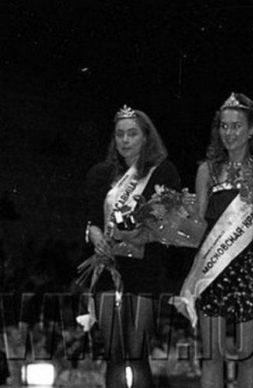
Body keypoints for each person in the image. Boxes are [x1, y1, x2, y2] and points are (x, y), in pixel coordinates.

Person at [84, 105, 181, 388]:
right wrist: (95, 234)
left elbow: (169, 224)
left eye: (132, 134)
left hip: (144, 269)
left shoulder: (162, 171)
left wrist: (138, 234)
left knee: (137, 354)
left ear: (146, 137)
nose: (125, 140)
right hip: (107, 268)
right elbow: (91, 220)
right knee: (114, 354)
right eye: (120, 135)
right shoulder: (100, 174)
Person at [193, 92, 253, 388]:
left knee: (247, 355)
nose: (229, 133)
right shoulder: (208, 170)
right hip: (213, 266)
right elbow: (198, 221)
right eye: (224, 126)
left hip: (249, 268)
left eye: (237, 126)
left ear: (252, 129)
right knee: (212, 354)